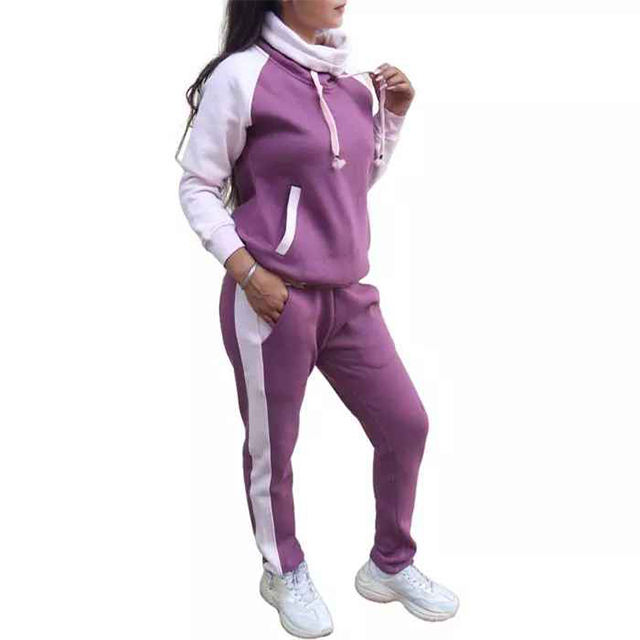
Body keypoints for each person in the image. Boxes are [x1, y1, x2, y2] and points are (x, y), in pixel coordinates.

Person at [176, 1, 458, 636]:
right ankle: (282, 568)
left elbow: (348, 184)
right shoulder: (242, 76)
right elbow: (197, 185)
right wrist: (247, 271)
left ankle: (389, 563)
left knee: (405, 424)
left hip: (347, 297)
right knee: (273, 449)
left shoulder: (352, 84)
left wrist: (392, 117)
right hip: (272, 297)